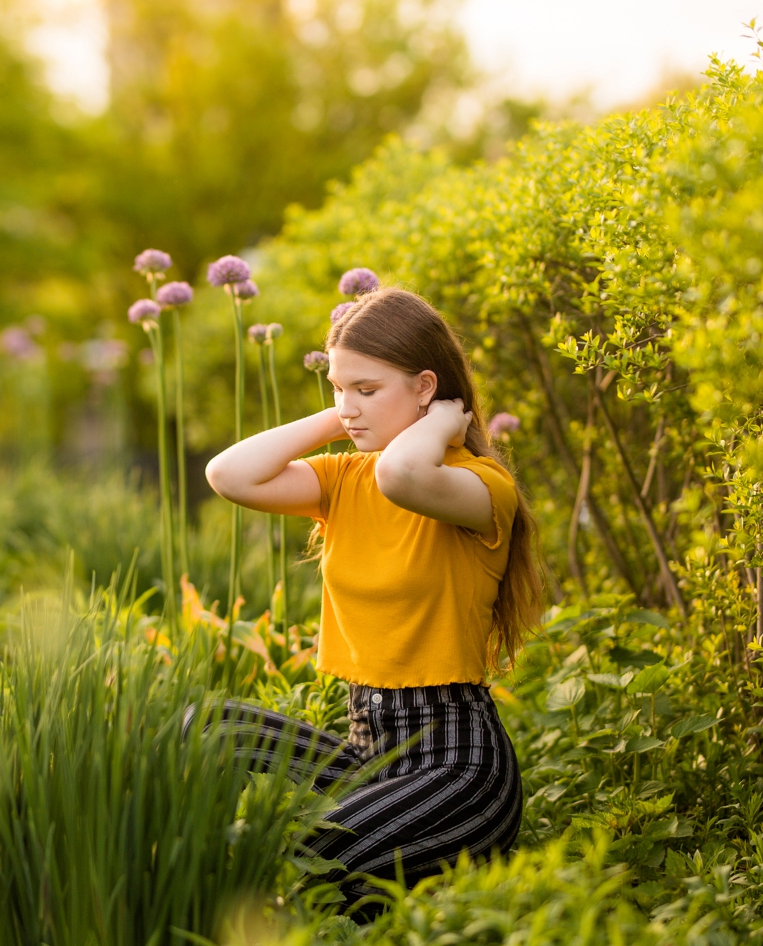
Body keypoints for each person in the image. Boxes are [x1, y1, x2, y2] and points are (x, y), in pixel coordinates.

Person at [202, 285, 542, 897]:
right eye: (337, 387)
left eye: (366, 390)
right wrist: (350, 411)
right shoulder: (343, 480)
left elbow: (403, 474)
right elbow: (228, 474)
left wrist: (438, 422)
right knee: (208, 726)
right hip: (371, 757)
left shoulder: (480, 486)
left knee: (309, 862)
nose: (348, 407)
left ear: (425, 386)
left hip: (458, 766)